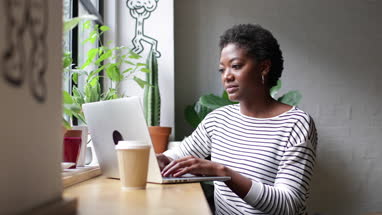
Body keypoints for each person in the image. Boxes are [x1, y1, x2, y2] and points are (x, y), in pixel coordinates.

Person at [157, 24, 318, 215]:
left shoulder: (296, 125)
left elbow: (288, 205)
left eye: (236, 66)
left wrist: (223, 173)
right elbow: (177, 156)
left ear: (264, 67)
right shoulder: (218, 120)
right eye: (222, 70)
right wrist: (159, 159)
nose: (227, 76)